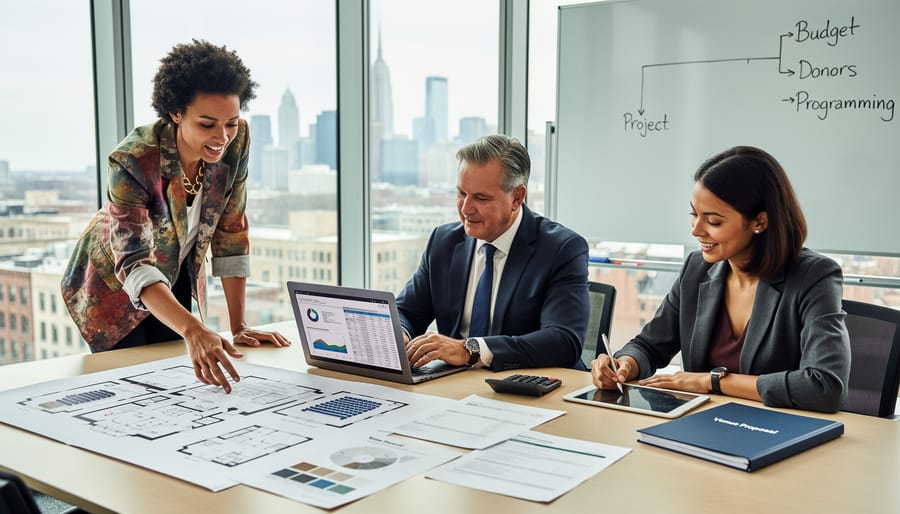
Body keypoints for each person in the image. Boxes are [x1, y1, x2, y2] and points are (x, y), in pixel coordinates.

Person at [61, 40, 290, 393]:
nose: (222, 137)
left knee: (180, 384)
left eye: (230, 122)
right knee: (134, 391)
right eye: (207, 124)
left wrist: (238, 325)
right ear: (176, 113)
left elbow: (231, 231)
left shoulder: (237, 140)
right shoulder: (133, 160)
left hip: (175, 270)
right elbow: (135, 263)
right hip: (116, 287)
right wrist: (194, 328)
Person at [591, 146, 850, 413]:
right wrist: (624, 364)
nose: (696, 230)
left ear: (759, 221)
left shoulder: (814, 277)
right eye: (694, 215)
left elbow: (824, 386)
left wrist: (712, 382)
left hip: (777, 430)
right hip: (700, 425)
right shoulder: (697, 268)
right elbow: (650, 345)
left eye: (713, 221)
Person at [400, 134, 590, 371]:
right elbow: (406, 310)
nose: (466, 208)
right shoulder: (443, 242)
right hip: (453, 386)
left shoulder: (561, 249)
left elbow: (563, 341)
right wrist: (401, 333)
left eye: (480, 197)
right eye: (461, 193)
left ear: (516, 197)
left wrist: (470, 350)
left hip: (529, 390)